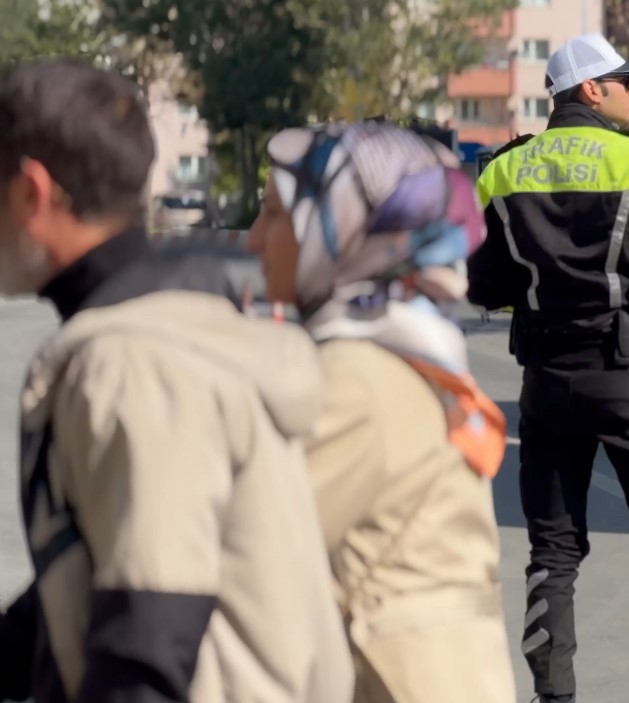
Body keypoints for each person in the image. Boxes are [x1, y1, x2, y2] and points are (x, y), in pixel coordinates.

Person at [0, 59, 353, 701]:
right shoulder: (163, 325)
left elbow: (147, 641)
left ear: (31, 193)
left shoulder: (136, 361)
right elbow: (94, 572)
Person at [467, 32, 629, 703]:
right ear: (590, 89)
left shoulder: (502, 170)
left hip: (547, 383)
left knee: (552, 555)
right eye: (626, 80)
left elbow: (484, 285)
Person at [246, 120, 515, 703]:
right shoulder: (401, 346)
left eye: (273, 214)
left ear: (342, 227)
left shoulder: (359, 378)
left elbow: (242, 550)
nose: (252, 239)